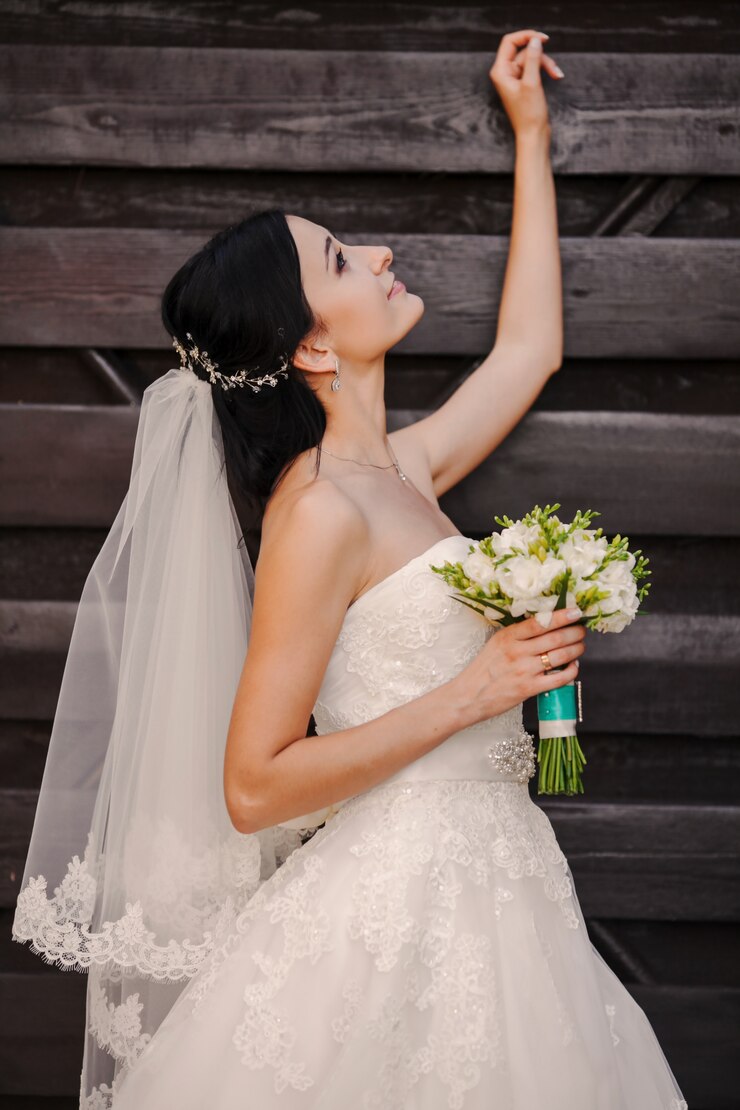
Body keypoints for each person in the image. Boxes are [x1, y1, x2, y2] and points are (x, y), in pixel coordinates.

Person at [12, 29, 688, 1109]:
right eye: (342, 260)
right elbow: (252, 785)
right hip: (397, 899)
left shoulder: (402, 471)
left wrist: (527, 135)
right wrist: (476, 689)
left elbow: (527, 354)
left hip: (499, 873)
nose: (377, 257)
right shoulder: (319, 511)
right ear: (313, 349)